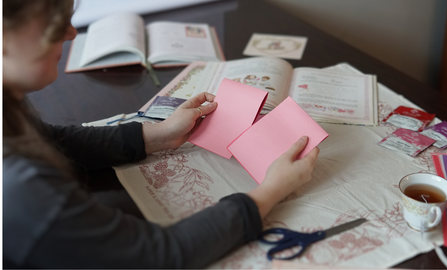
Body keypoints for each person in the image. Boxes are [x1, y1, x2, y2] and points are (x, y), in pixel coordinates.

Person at [3, 0, 320, 268]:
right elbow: (156, 257)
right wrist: (273, 189)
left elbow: (52, 141)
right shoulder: (21, 188)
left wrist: (157, 135)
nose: (71, 32)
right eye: (54, 20)